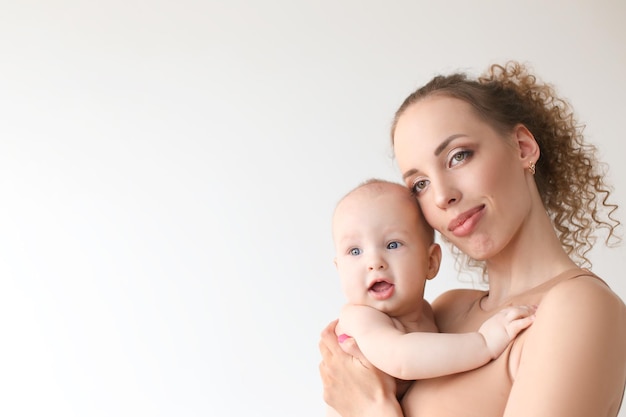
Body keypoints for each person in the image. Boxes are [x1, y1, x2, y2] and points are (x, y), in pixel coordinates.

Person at [319, 61, 626, 417]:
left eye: (458, 157)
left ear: (523, 147)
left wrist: (370, 409)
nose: (441, 196)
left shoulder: (579, 306)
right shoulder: (441, 313)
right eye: (420, 184)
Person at [327, 178, 535, 416]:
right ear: (339, 268)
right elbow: (401, 357)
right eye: (355, 251)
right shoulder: (360, 318)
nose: (374, 263)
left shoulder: (430, 312)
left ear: (431, 262)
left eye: (393, 245)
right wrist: (484, 343)